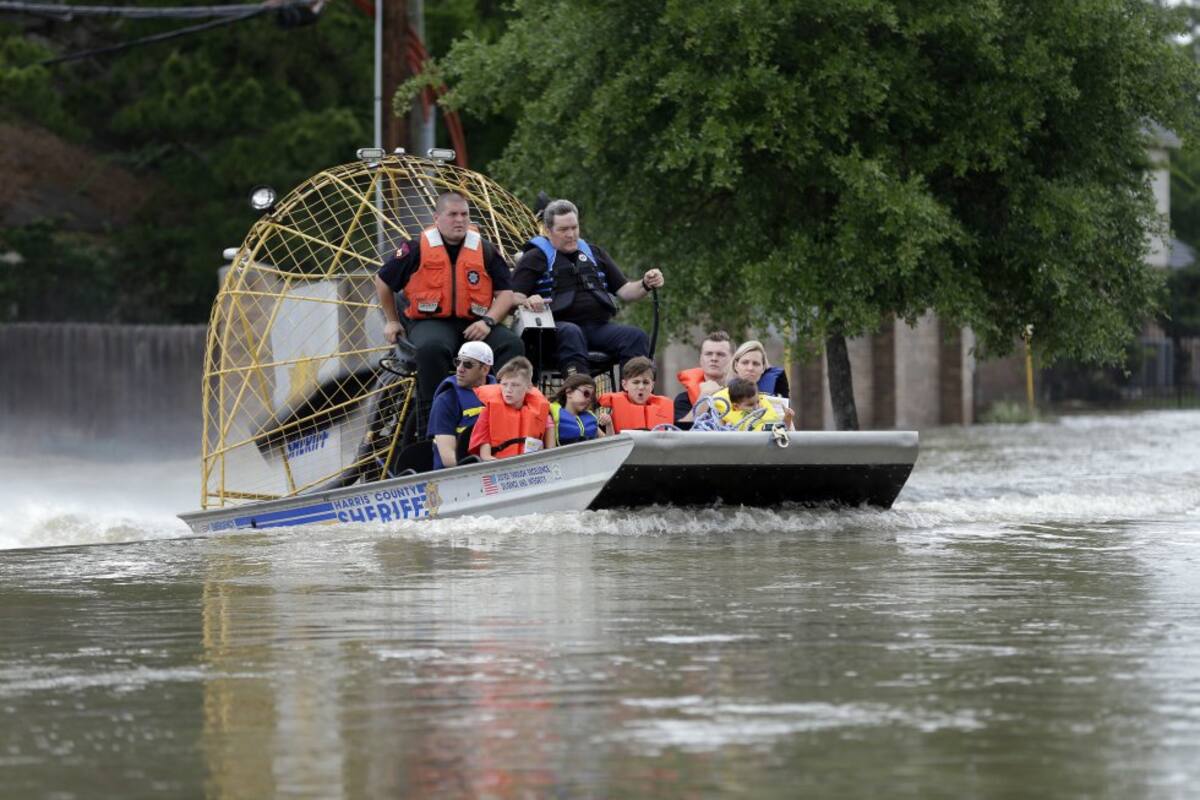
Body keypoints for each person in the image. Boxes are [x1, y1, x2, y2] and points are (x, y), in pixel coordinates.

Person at [374, 190, 524, 426]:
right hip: (431, 321)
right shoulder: (416, 248)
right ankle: (433, 422)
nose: (460, 220)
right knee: (431, 349)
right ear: (437, 218)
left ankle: (506, 415)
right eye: (453, 214)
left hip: (476, 323)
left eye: (464, 214)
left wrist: (488, 321)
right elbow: (383, 281)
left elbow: (505, 294)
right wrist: (392, 321)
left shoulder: (484, 249)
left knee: (511, 344)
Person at [511, 199, 664, 376]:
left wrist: (645, 283)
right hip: (555, 331)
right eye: (563, 229)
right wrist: (528, 300)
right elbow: (512, 296)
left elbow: (626, 291)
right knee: (572, 332)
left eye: (574, 228)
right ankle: (580, 390)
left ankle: (632, 391)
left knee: (635, 336)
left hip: (597, 328)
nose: (571, 234)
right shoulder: (534, 257)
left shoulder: (595, 253)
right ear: (548, 230)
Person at [427, 341, 495, 469]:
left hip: (499, 467)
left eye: (468, 364)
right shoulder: (445, 400)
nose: (460, 369)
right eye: (458, 362)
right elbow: (449, 459)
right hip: (461, 474)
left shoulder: (504, 393)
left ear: (485, 369)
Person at [469, 357, 551, 460]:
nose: (508, 390)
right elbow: (485, 456)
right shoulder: (488, 412)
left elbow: (549, 453)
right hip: (500, 465)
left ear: (529, 387)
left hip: (531, 465)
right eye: (504, 384)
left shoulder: (543, 414)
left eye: (515, 385)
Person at [598, 356, 674, 433]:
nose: (641, 387)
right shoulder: (610, 409)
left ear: (652, 386)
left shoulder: (667, 407)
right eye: (636, 382)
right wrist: (608, 424)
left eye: (646, 382)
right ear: (624, 385)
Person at [674, 330, 733, 422]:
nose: (714, 358)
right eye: (708, 354)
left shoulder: (745, 396)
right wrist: (704, 396)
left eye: (720, 354)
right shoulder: (684, 400)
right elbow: (682, 429)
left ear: (733, 360)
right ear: (701, 359)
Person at [545, 373, 608, 447]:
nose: (589, 399)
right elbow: (550, 449)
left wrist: (609, 424)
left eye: (592, 397)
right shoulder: (552, 417)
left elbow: (608, 444)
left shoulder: (590, 418)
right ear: (569, 392)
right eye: (586, 393)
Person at [712, 377, 794, 430]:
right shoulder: (731, 423)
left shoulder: (767, 409)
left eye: (758, 402)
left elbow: (781, 430)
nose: (756, 407)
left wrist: (787, 419)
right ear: (736, 406)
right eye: (750, 405)